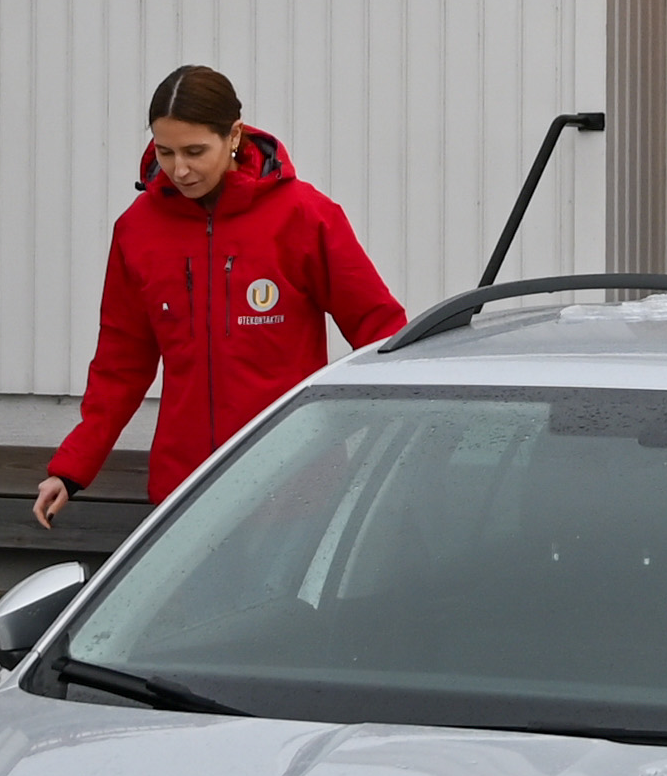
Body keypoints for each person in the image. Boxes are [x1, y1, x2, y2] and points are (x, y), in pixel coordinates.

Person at [30, 64, 408, 529]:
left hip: (294, 482)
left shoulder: (305, 216)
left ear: (233, 136)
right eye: (165, 152)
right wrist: (71, 468)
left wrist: (396, 433)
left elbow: (379, 328)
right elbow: (120, 363)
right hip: (185, 489)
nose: (180, 169)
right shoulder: (137, 230)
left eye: (195, 151)